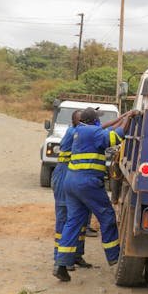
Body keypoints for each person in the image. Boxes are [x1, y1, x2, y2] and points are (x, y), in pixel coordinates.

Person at [53, 108, 138, 282]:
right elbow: (118, 136)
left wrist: (121, 117)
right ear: (93, 121)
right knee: (106, 216)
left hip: (71, 182)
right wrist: (128, 118)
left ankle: (61, 264)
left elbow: (104, 128)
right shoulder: (93, 132)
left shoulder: (79, 130)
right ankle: (114, 258)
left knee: (73, 222)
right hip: (88, 183)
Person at [51, 109, 91, 271]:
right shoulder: (74, 132)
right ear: (79, 123)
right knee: (64, 219)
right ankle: (60, 258)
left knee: (81, 219)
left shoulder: (79, 131)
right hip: (64, 177)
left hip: (76, 177)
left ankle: (76, 255)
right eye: (88, 121)